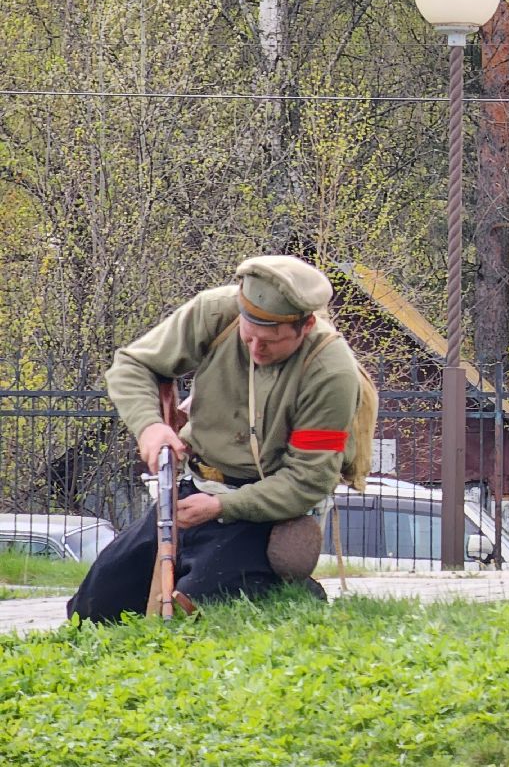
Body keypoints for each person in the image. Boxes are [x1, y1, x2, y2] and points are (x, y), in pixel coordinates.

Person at [68, 255, 362, 620]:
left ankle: (290, 586)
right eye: (249, 335)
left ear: (305, 326)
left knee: (193, 605)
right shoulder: (215, 312)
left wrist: (222, 507)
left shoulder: (331, 372)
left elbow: (308, 480)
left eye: (270, 341)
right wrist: (150, 426)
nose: (256, 350)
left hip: (266, 504)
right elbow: (133, 364)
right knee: (95, 605)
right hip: (196, 484)